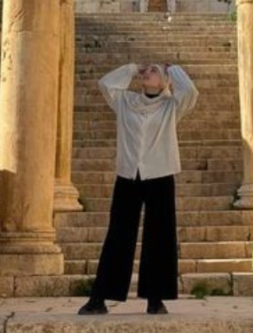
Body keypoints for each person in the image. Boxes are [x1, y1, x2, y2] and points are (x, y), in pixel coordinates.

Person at [77, 61, 199, 316]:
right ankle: (98, 298)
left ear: (165, 81)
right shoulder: (125, 101)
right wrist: (133, 68)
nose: (147, 73)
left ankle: (155, 299)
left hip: (161, 174)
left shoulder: (171, 106)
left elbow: (190, 92)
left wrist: (173, 69)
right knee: (118, 236)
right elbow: (105, 84)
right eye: (146, 70)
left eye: (153, 70)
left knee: (160, 237)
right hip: (128, 175)